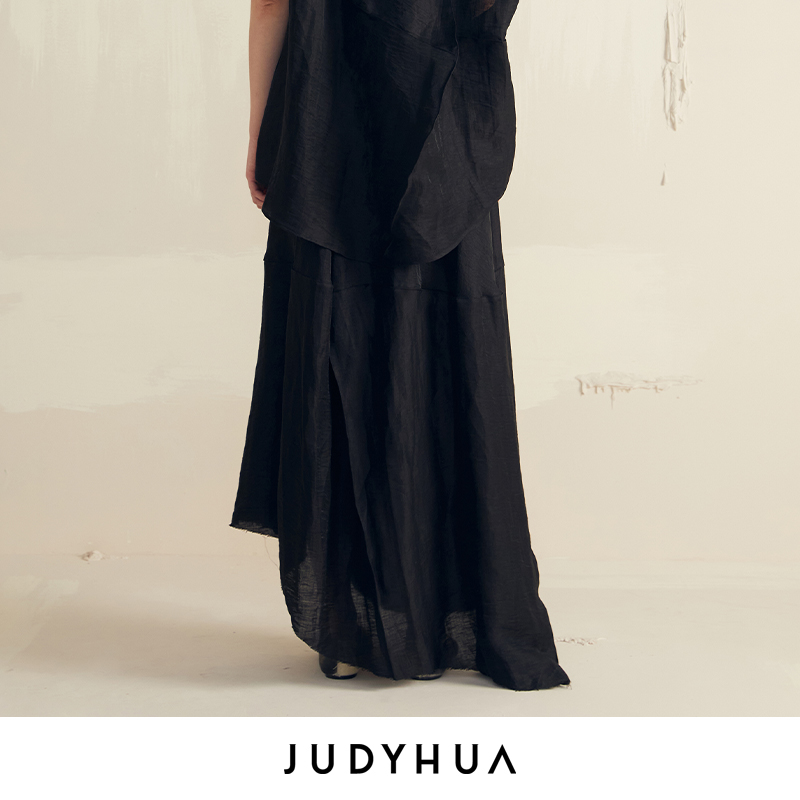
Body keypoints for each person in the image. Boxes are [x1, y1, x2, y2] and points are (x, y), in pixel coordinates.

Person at [230, 0, 571, 691]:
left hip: (327, 125)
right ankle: (455, 612)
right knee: (446, 358)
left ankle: (352, 626)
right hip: (447, 131)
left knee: (340, 348)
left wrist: (263, 129)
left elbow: (271, 5)